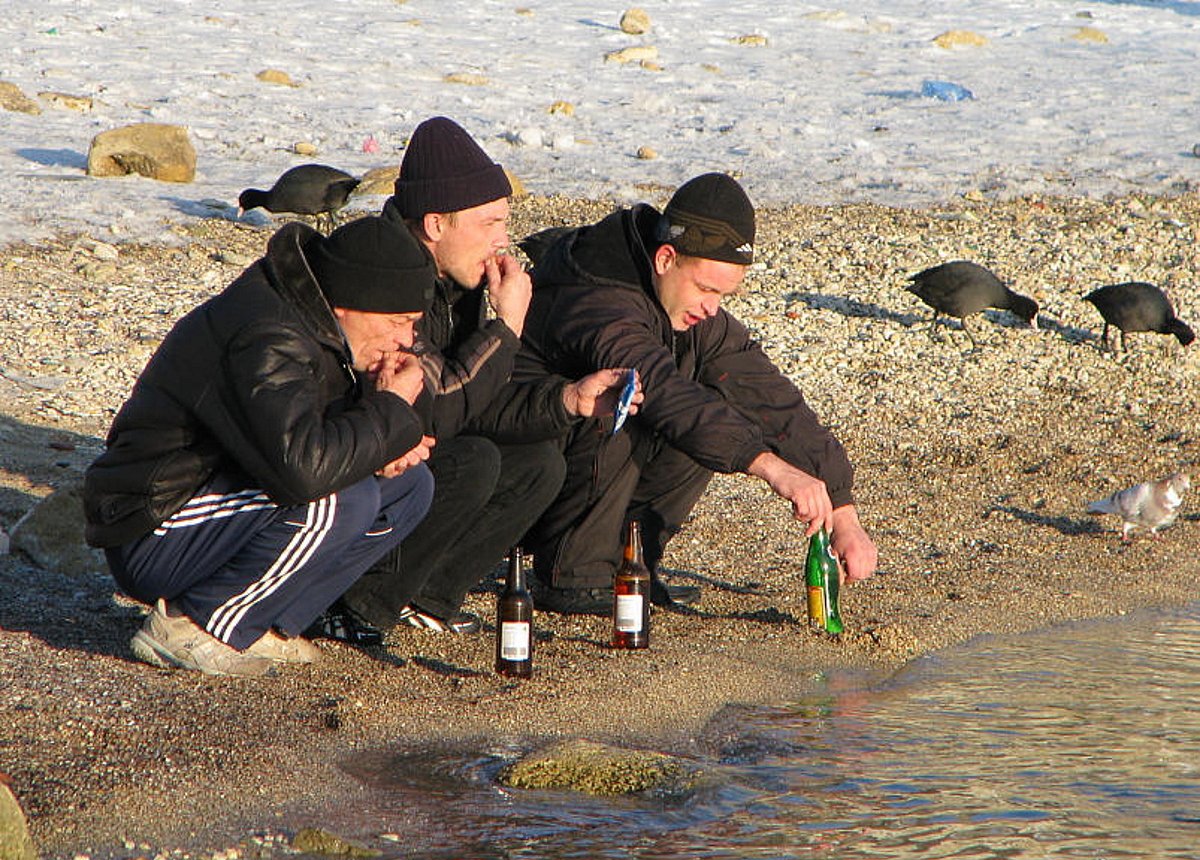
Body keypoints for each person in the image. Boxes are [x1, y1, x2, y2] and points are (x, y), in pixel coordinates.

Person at [323, 115, 637, 639]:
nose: (503, 240)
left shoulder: (456, 279)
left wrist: (568, 401)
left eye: (504, 223)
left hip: (405, 446)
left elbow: (480, 402)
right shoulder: (391, 277)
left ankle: (426, 598)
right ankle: (356, 605)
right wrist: (508, 325)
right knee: (473, 459)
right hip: (348, 459)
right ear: (436, 225)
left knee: (539, 464)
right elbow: (440, 407)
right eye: (490, 223)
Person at [82, 215, 439, 676]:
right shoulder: (269, 332)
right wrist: (387, 410)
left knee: (411, 487)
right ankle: (193, 624)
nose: (406, 339)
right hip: (152, 522)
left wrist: (383, 424)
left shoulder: (326, 328)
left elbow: (309, 439)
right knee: (340, 497)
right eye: (399, 321)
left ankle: (261, 624)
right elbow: (302, 470)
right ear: (352, 302)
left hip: (224, 498)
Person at [515, 172, 879, 614]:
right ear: (666, 258)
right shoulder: (599, 299)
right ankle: (575, 574)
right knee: (641, 404)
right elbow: (664, 391)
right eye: (707, 289)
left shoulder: (679, 303)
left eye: (723, 295)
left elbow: (767, 394)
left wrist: (841, 510)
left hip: (565, 472)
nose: (712, 308)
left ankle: (631, 566)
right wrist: (770, 468)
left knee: (718, 413)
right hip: (518, 481)